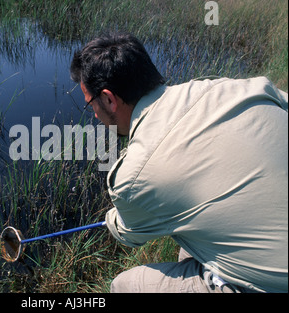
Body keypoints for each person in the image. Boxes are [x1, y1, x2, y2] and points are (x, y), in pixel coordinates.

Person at [70, 32, 288, 293]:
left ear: (108, 99)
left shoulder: (133, 176)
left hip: (272, 286)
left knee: (124, 285)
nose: (94, 115)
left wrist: (112, 219)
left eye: (90, 104)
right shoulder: (237, 87)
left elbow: (130, 234)